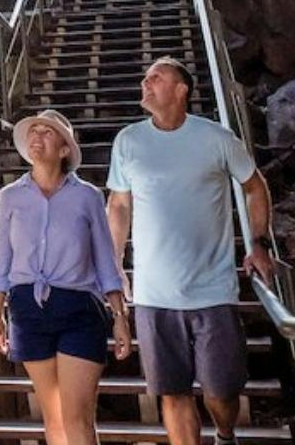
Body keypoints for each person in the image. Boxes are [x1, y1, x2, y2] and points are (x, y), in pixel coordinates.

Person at [106, 58, 276, 445]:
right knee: (172, 390)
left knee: (222, 391)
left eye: (156, 77)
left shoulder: (215, 138)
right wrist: (113, 262)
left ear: (181, 89)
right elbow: (118, 205)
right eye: (144, 77)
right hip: (153, 294)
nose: (145, 83)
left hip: (213, 290)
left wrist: (258, 244)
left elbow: (254, 185)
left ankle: (225, 434)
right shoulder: (128, 141)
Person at [0, 108, 133, 445]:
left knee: (78, 419)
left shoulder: (87, 196)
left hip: (78, 308)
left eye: (47, 132)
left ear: (65, 149)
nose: (37, 136)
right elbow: (1, 261)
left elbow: (105, 260)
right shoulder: (9, 197)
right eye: (33, 131)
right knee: (53, 421)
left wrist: (120, 316)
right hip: (27, 309)